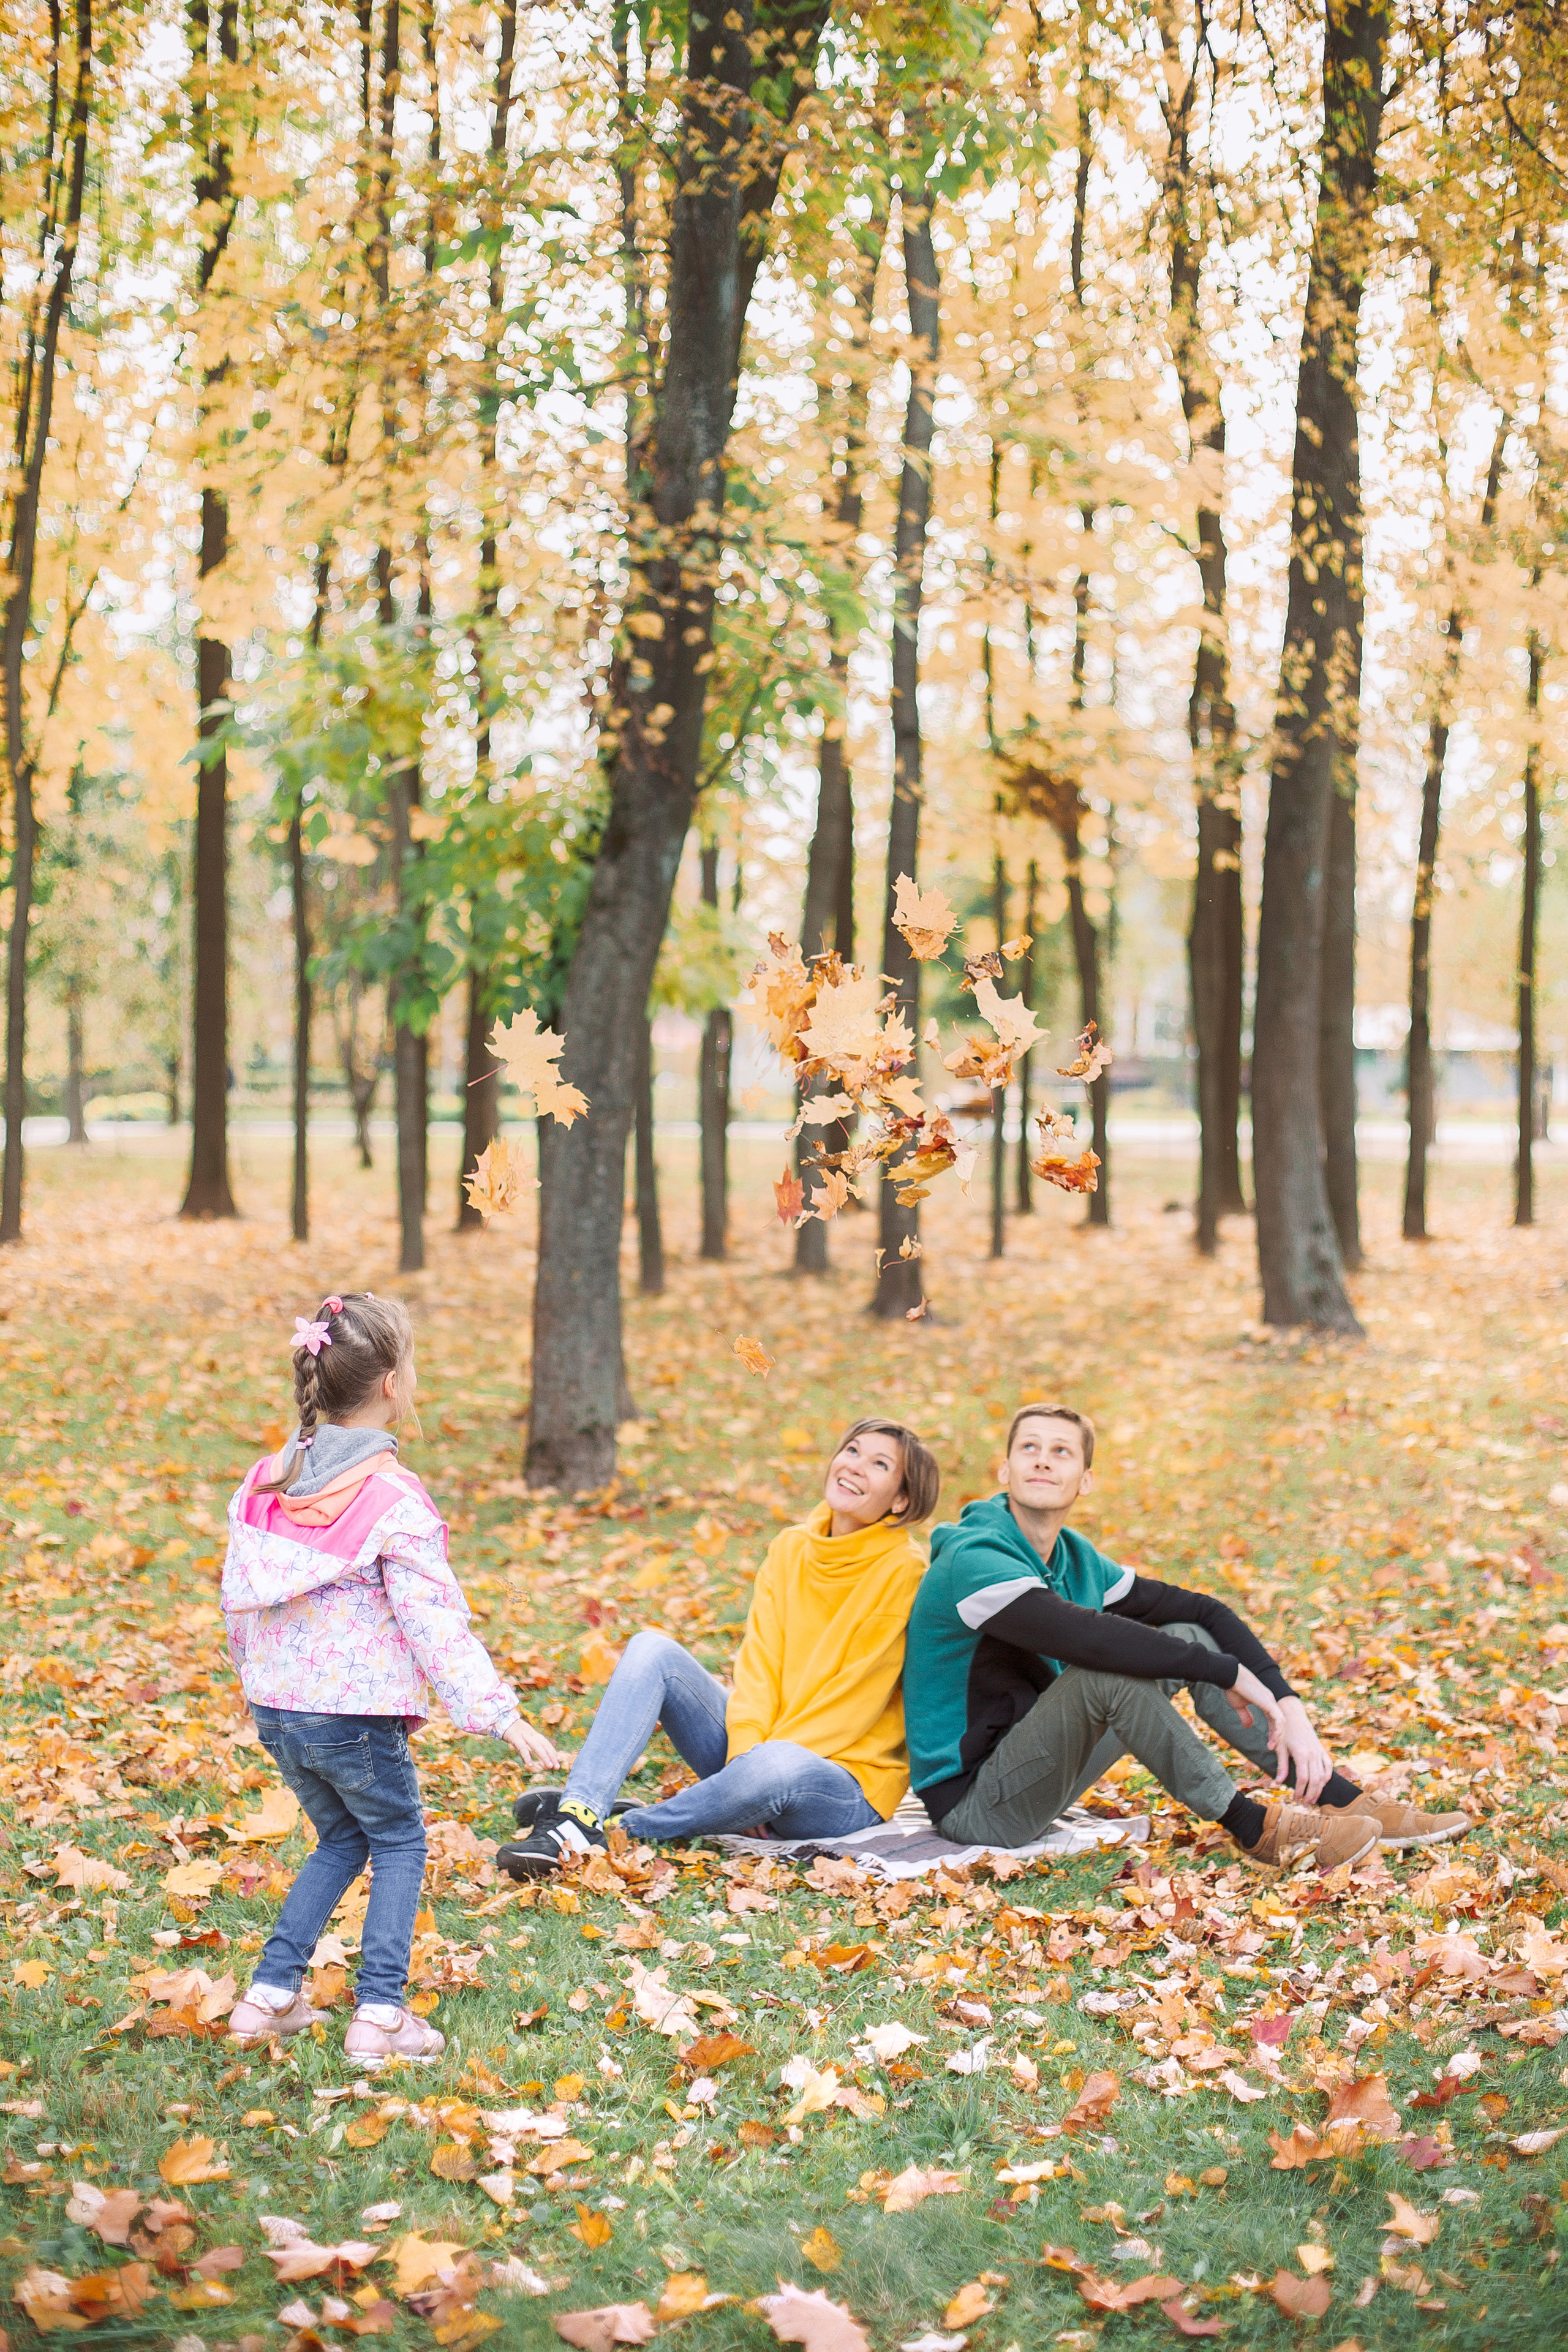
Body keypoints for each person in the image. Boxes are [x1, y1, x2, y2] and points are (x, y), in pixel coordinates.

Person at [221, 1293, 561, 2067]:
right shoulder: (392, 1499)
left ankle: (267, 1998)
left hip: (279, 1710)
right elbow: (435, 1623)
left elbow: (236, 1594)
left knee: (340, 1838)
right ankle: (379, 2014)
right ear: (392, 1383)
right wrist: (501, 1716)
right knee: (400, 1840)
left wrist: (255, 1681)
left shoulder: (268, 1480)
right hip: (353, 1716)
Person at [905, 1403, 1467, 1872]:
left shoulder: (1074, 1557)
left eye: (1062, 1451)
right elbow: (1089, 1640)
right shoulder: (975, 1558)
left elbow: (1202, 1610)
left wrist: (1286, 1702)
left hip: (1036, 1772)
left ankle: (1335, 1797)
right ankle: (1255, 1829)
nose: (1043, 1462)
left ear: (1086, 1479)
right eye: (1029, 1448)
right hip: (976, 1804)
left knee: (1184, 1633)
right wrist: (1226, 1672)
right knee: (1107, 1675)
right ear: (1004, 1470)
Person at [499, 1416, 941, 1877]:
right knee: (653, 1650)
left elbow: (855, 1702)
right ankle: (580, 1813)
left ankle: (624, 1829)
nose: (855, 1466)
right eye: (852, 1450)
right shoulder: (791, 1547)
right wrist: (741, 1767)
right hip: (758, 1761)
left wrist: (755, 1774)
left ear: (902, 1498)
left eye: (880, 1463)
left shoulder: (903, 1570)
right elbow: (760, 1669)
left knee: (777, 1763)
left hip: (842, 1785)